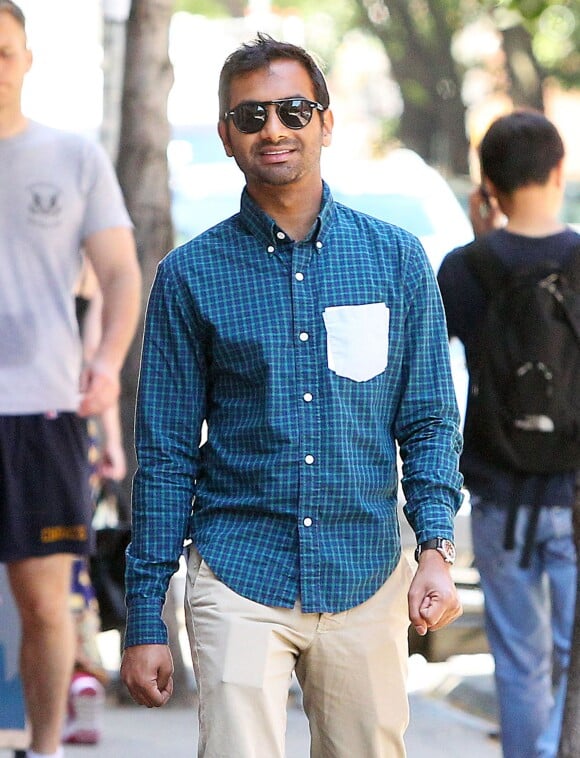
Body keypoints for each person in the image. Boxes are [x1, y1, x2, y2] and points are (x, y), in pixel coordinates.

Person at [121, 33, 463, 757]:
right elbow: (166, 452)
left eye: (293, 110)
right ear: (226, 136)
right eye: (251, 116)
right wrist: (145, 615)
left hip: (365, 571)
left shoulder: (396, 260)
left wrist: (434, 546)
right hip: (239, 567)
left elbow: (430, 418)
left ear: (326, 122)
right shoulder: (189, 277)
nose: (273, 128)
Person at [0, 3, 141, 758]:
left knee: (47, 608)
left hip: (44, 412)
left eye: (2, 52)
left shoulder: (71, 156)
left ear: (26, 58)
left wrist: (107, 365)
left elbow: (121, 273)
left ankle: (46, 747)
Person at [437, 110, 579, 758]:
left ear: (487, 185)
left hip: (498, 495)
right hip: (575, 495)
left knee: (519, 666)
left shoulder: (463, 268)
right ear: (560, 171)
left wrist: (478, 237)